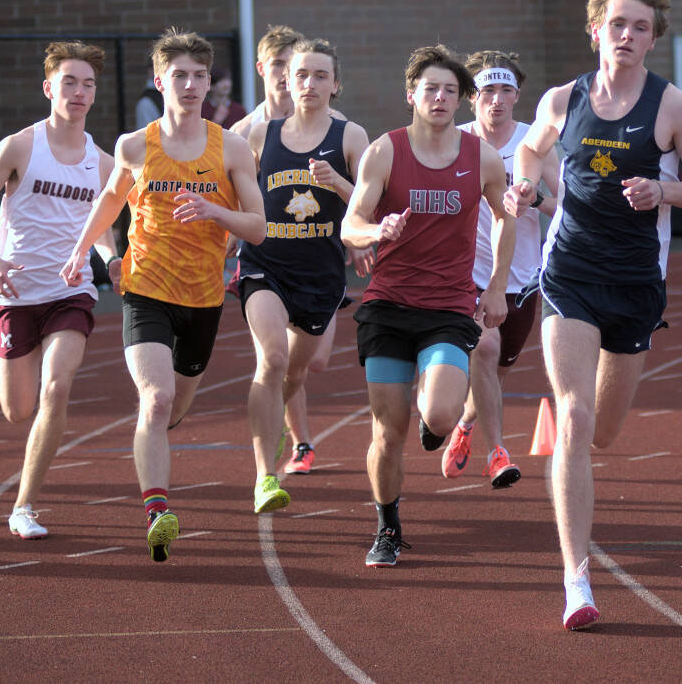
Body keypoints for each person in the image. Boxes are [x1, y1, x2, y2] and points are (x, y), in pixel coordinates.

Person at [504, 0, 682, 629]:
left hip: (635, 283)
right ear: (595, 29)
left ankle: (574, 434)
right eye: (617, 23)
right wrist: (521, 188)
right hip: (569, 271)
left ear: (654, 38)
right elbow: (529, 153)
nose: (626, 35)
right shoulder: (562, 98)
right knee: (572, 415)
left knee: (602, 428)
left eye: (640, 26)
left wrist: (666, 192)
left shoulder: (672, 107)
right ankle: (577, 578)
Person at [59, 28, 265, 562]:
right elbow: (108, 203)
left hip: (203, 297)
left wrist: (216, 212)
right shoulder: (134, 146)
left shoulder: (231, 147)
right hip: (145, 287)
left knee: (175, 405)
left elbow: (259, 227)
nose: (191, 84)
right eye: (180, 75)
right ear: (160, 81)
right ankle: (158, 512)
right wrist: (83, 251)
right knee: (156, 399)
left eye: (200, 75)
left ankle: (157, 438)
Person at [341, 44, 515, 568]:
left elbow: (504, 215)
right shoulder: (384, 151)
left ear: (461, 101)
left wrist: (497, 285)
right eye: (430, 88)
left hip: (448, 306)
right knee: (386, 433)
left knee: (438, 414)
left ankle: (436, 426)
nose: (440, 98)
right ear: (410, 95)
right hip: (389, 304)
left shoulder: (479, 155)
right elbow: (350, 223)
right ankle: (388, 527)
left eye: (450, 90)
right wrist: (376, 229)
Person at [0, 41, 118, 540]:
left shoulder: (104, 162)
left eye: (88, 83)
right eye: (69, 82)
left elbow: (106, 219)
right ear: (48, 88)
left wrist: (110, 259)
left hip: (71, 292)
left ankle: (24, 505)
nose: (79, 92)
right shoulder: (20, 147)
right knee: (17, 410)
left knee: (57, 385)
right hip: (14, 292)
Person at [238, 38, 369, 512]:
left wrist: (338, 183)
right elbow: (237, 198)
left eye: (319, 76)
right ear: (285, 82)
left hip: (320, 277)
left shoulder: (351, 137)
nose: (309, 84)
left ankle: (272, 428)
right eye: (300, 75)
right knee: (271, 359)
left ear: (335, 84)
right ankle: (264, 477)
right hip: (264, 267)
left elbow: (373, 203)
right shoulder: (260, 135)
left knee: (297, 371)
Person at [441, 51, 560, 488]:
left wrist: (535, 198)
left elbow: (564, 203)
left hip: (523, 277)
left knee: (495, 370)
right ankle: (498, 454)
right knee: (485, 352)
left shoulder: (534, 142)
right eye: (487, 91)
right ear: (473, 97)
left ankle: (467, 426)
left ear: (517, 95)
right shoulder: (456, 140)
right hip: (467, 276)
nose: (496, 99)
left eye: (505, 90)